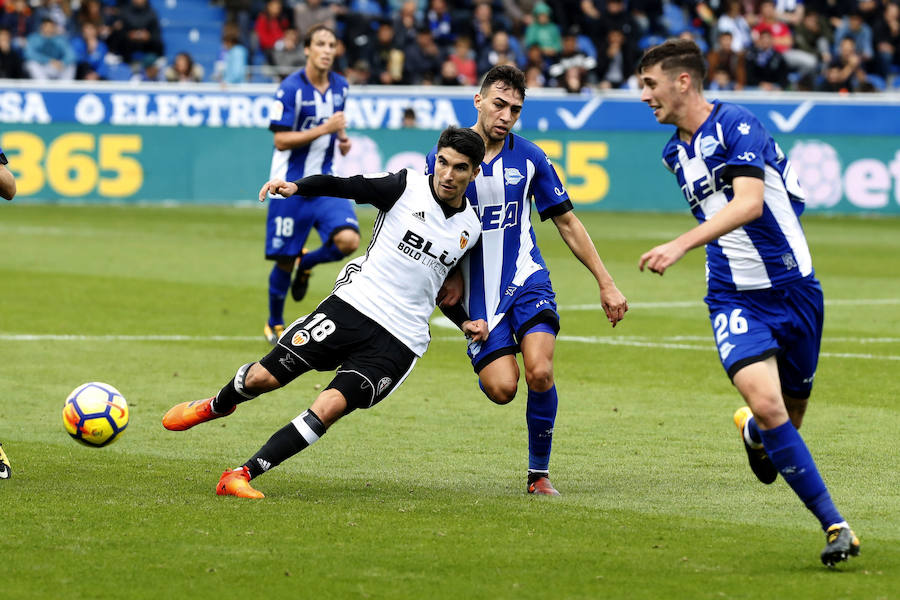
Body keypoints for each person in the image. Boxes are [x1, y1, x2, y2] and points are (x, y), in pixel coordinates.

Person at [162, 126, 488, 499]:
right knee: (264, 379)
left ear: (474, 173)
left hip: (400, 338)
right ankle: (216, 405)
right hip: (355, 305)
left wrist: (464, 320)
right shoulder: (403, 186)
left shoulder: (470, 229)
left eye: (459, 168)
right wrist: (297, 187)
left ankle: (240, 475)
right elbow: (345, 185)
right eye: (443, 163)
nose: (448, 175)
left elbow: (440, 289)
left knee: (329, 406)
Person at [636, 38, 860, 567]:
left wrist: (680, 243)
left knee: (788, 416)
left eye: (650, 84)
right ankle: (836, 525)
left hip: (797, 292)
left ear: (683, 81)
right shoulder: (674, 152)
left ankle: (756, 436)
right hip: (733, 296)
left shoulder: (737, 124)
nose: (644, 95)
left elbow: (754, 202)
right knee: (767, 400)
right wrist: (695, 246)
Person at [427, 65, 628, 496]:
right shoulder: (446, 158)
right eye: (499, 104)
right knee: (502, 389)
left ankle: (539, 476)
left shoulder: (531, 158)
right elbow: (432, 227)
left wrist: (605, 282)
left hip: (526, 278)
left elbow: (568, 223)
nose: (505, 115)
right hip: (477, 296)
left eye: (515, 109)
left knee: (539, 372)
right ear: (478, 100)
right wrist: (449, 287)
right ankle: (496, 354)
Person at [262, 24, 360, 345]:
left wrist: (342, 139)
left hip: (323, 182)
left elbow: (338, 125)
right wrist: (324, 129)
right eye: (320, 43)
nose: (327, 50)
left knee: (349, 241)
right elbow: (280, 140)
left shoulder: (340, 86)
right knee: (284, 259)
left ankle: (310, 261)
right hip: (288, 184)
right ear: (307, 49)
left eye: (332, 44)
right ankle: (275, 322)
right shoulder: (290, 89)